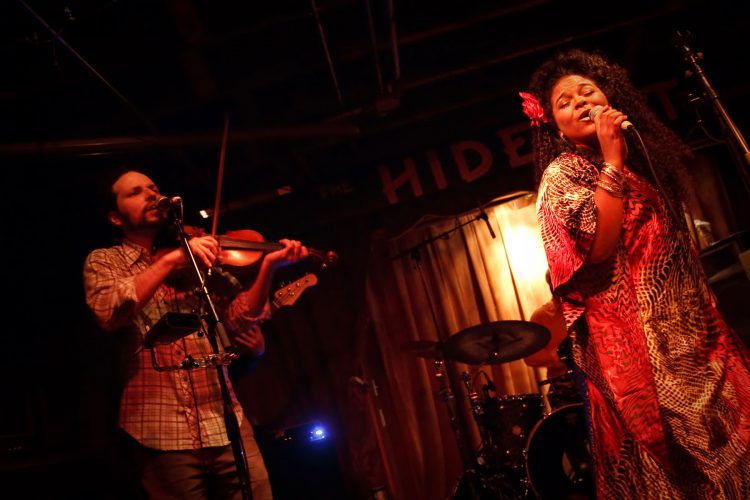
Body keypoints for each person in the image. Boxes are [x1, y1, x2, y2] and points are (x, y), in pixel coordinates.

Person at [520, 48, 750, 498]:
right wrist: (611, 161)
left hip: (695, 333)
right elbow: (598, 247)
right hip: (644, 346)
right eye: (565, 102)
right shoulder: (563, 173)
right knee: (687, 465)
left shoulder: (637, 159)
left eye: (588, 91)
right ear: (551, 122)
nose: (581, 102)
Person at [83, 169, 307, 499]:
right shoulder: (105, 260)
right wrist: (171, 261)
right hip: (157, 429)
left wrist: (268, 270)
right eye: (135, 192)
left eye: (153, 187)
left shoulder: (196, 260)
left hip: (224, 421)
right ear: (116, 218)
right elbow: (108, 311)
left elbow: (239, 319)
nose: (149, 193)